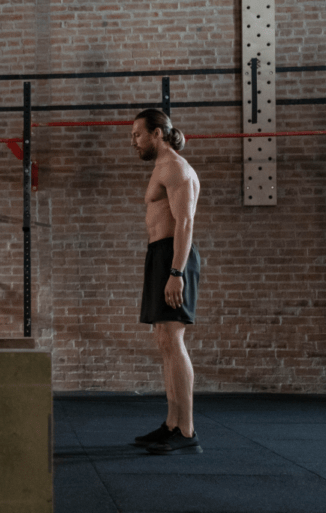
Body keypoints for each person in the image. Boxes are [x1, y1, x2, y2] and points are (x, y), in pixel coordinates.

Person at [128, 109, 203, 455]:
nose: (134, 141)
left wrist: (176, 272)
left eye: (138, 134)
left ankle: (186, 432)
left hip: (174, 258)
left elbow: (185, 223)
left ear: (158, 133)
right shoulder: (161, 168)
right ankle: (172, 423)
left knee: (174, 339)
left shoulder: (176, 168)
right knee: (164, 341)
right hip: (160, 255)